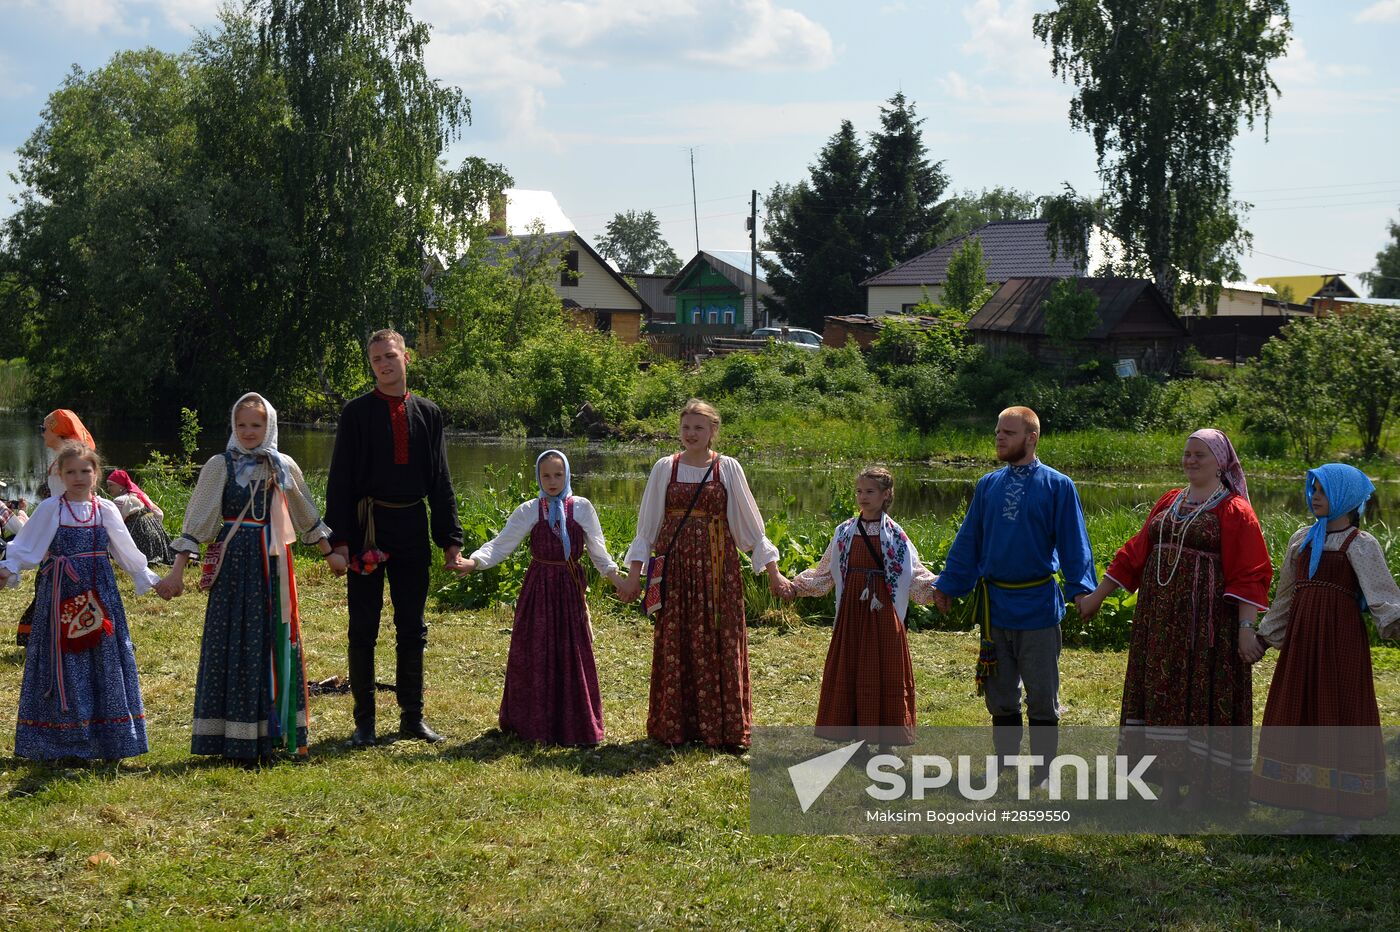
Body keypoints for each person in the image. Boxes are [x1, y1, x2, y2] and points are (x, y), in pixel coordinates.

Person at [1077, 429, 1272, 808]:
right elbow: (1136, 551)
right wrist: (1098, 597)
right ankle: (1167, 787)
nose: (1191, 460)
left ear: (1221, 462)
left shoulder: (1235, 510)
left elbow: (1251, 572)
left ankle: (1199, 791)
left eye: (1200, 454)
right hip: (1160, 622)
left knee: (1197, 700)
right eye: (1187, 453)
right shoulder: (1170, 501)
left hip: (1206, 627)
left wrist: (1247, 630)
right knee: (1163, 698)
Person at [156, 393, 342, 761]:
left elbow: (305, 511)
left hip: (273, 564)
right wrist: (177, 573)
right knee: (232, 637)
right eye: (241, 424)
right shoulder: (219, 466)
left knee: (272, 637)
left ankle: (272, 730)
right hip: (235, 563)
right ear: (232, 426)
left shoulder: (282, 465)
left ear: (269, 425)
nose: (248, 431)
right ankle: (229, 735)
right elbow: (197, 522)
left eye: (256, 424)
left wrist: (330, 554)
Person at [931, 406, 1096, 784]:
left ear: (1031, 438)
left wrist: (1082, 591)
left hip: (1037, 607)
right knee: (1001, 693)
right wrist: (949, 585)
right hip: (996, 609)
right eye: (997, 431)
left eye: (1008, 432)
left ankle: (1042, 769)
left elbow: (1075, 544)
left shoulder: (1058, 485)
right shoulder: (988, 484)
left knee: (1041, 694)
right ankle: (1005, 761)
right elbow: (970, 540)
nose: (999, 438)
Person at [326, 329, 467, 747]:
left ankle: (412, 717)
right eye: (376, 360)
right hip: (367, 525)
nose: (384, 365)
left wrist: (449, 538)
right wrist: (339, 542)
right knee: (362, 626)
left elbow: (440, 479)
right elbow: (340, 482)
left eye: (390, 356)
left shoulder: (429, 413)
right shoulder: (355, 414)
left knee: (412, 625)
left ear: (406, 358)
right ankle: (364, 723)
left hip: (411, 527)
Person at [617, 399, 784, 749]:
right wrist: (634, 576)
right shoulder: (665, 467)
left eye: (698, 427)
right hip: (675, 570)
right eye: (686, 427)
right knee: (676, 639)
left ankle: (722, 728)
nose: (691, 434)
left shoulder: (728, 468)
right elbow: (647, 528)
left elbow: (751, 528)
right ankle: (673, 726)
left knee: (718, 637)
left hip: (716, 569)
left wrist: (773, 573)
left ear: (712, 431)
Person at [1250, 464, 1400, 838]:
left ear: (1347, 498)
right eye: (1312, 488)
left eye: (1324, 490)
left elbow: (1383, 598)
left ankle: (1350, 817)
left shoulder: (1360, 544)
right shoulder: (1301, 539)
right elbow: (1285, 596)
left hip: (1340, 645)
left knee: (1344, 714)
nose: (1314, 495)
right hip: (1302, 645)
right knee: (1304, 713)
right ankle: (1310, 813)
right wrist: (1264, 638)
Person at [0, 442, 162, 760]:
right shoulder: (51, 508)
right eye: (70, 471)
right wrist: (7, 570)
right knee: (62, 661)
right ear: (60, 474)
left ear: (96, 473)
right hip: (59, 593)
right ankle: (61, 740)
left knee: (105, 659)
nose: (78, 477)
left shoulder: (106, 509)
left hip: (100, 594)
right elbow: (25, 547)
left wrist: (152, 580)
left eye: (85, 471)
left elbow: (127, 552)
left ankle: (108, 738)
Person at [461, 450, 624, 746]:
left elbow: (599, 553)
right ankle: (532, 721)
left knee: (571, 651)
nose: (552, 481)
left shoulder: (582, 508)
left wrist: (619, 581)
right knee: (535, 648)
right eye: (546, 475)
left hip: (570, 588)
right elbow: (501, 545)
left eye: (558, 475)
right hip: (539, 588)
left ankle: (573, 723)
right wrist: (474, 562)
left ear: (568, 475)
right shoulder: (530, 510)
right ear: (538, 476)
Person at [781, 467, 938, 747]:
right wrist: (796, 587)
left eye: (870, 491)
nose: (862, 497)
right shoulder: (844, 532)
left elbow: (913, 573)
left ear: (886, 495)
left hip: (883, 609)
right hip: (853, 608)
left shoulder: (896, 536)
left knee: (887, 668)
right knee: (852, 666)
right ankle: (855, 737)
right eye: (859, 491)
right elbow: (825, 573)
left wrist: (940, 589)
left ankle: (887, 740)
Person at [17, 409, 97, 646]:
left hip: (62, 540)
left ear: (57, 432)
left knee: (55, 590)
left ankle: (57, 639)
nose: (42, 435)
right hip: (77, 537)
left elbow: (63, 508)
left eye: (44, 430)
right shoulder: (74, 460)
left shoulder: (61, 466)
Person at [105, 469, 175, 566]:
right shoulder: (140, 495)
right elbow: (160, 514)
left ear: (121, 485)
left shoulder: (120, 500)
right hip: (157, 539)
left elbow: (116, 525)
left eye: (111, 485)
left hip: (141, 538)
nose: (108, 488)